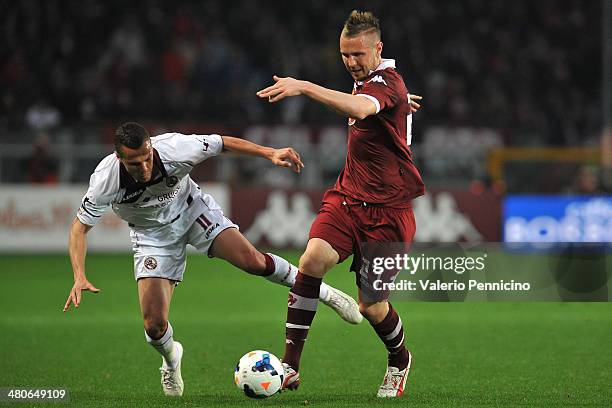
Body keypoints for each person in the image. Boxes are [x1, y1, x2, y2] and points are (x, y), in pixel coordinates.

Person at [62, 122, 362, 397]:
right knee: (154, 325)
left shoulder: (175, 149)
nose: (142, 166)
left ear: (151, 147)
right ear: (118, 158)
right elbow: (79, 228)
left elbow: (221, 143)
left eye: (146, 157)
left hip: (193, 211)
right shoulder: (105, 180)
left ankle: (324, 292)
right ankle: (171, 360)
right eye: (133, 162)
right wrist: (79, 274)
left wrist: (269, 153)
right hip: (152, 236)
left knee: (253, 261)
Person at [257, 10, 425, 398]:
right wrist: (397, 105)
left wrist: (303, 86)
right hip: (347, 198)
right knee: (311, 260)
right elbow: (373, 101)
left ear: (377, 49)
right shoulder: (373, 82)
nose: (351, 63)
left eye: (358, 55)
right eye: (344, 55)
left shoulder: (386, 84)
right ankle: (290, 368)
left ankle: (399, 358)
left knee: (371, 306)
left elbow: (362, 108)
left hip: (388, 213)